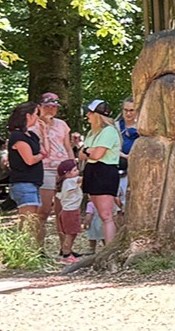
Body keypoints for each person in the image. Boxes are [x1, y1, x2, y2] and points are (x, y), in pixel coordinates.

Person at [79, 100, 122, 249]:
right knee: (100, 213)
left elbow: (97, 154)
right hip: (92, 172)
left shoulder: (109, 131)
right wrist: (89, 151)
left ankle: (110, 249)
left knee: (106, 215)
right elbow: (82, 154)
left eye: (90, 113)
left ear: (98, 115)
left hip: (105, 172)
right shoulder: (92, 133)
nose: (87, 115)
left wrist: (88, 150)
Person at [33, 92, 70, 254]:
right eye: (47, 106)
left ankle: (65, 248)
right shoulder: (33, 125)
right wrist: (44, 126)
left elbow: (67, 146)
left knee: (63, 211)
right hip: (44, 169)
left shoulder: (62, 125)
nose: (51, 110)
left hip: (63, 169)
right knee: (44, 211)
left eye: (54, 107)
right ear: (40, 107)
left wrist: (71, 165)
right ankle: (38, 249)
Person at [5, 103, 44, 234]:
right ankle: (23, 249)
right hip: (24, 183)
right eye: (36, 114)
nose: (38, 118)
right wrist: (41, 155)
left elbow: (45, 150)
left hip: (33, 182)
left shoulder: (31, 136)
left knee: (33, 220)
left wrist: (44, 133)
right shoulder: (17, 137)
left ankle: (30, 249)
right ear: (28, 115)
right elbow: (30, 160)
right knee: (28, 220)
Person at [53, 158, 84, 262]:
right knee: (70, 234)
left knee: (72, 232)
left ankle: (68, 250)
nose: (78, 172)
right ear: (67, 174)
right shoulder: (70, 181)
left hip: (69, 211)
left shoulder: (65, 183)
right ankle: (66, 253)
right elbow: (82, 179)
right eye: (75, 170)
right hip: (70, 212)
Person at [116, 98, 139, 204]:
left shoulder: (143, 127)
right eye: (126, 110)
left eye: (131, 110)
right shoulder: (115, 127)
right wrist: (124, 156)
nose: (128, 113)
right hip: (119, 167)